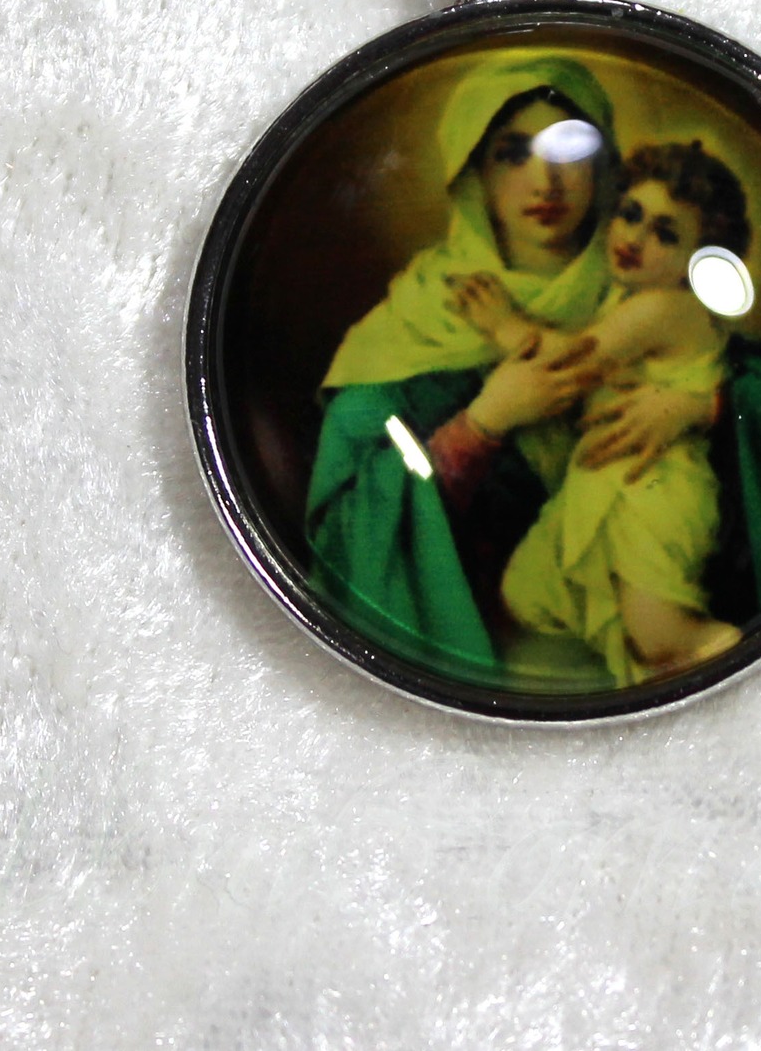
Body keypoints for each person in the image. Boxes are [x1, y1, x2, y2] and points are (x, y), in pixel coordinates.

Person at [304, 53, 713, 678]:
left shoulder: (649, 284)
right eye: (513, 154)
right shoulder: (414, 322)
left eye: (570, 149)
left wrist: (696, 407)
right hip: (484, 653)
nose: (546, 181)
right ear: (475, 174)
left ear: (604, 167)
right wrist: (484, 423)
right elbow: (346, 533)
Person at [450, 141, 753, 683]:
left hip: (654, 487)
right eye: (631, 215)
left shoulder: (663, 308)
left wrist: (504, 325)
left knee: (658, 636)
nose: (634, 239)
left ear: (700, 262)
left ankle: (742, 666)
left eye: (665, 234)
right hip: (609, 478)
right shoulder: (629, 298)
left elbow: (574, 365)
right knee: (527, 593)